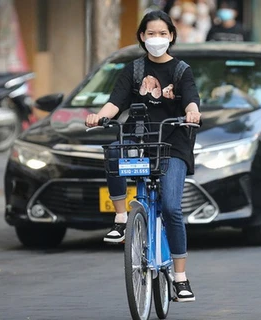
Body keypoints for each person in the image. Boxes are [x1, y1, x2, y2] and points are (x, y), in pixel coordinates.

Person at [85, 10, 201, 302]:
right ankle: (122, 217)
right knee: (113, 152)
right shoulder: (133, 70)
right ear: (141, 36)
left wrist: (192, 111)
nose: (156, 39)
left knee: (172, 208)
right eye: (151, 34)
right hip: (138, 138)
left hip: (173, 143)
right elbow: (115, 102)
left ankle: (180, 277)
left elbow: (191, 99)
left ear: (171, 36)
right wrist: (99, 116)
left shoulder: (181, 70)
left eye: (162, 34)